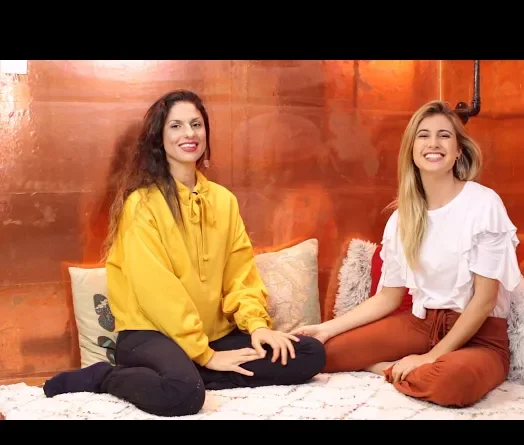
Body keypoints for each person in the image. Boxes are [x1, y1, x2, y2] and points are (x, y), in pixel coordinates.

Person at [43, 90, 326, 417]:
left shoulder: (223, 201)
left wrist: (257, 326)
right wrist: (206, 355)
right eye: (176, 126)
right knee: (183, 395)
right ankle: (105, 376)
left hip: (213, 336)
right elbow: (157, 291)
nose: (189, 134)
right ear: (159, 138)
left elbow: (240, 275)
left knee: (308, 354)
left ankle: (188, 373)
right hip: (150, 335)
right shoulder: (142, 204)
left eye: (196, 124)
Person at [292, 100, 522, 408]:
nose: (433, 143)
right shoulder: (402, 217)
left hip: (479, 336)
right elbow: (389, 297)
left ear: (458, 150)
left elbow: (484, 300)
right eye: (423, 135)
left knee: (450, 383)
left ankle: (393, 368)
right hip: (421, 325)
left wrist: (431, 357)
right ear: (412, 150)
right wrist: (326, 328)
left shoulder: (483, 204)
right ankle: (398, 368)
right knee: (320, 353)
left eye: (444, 135)